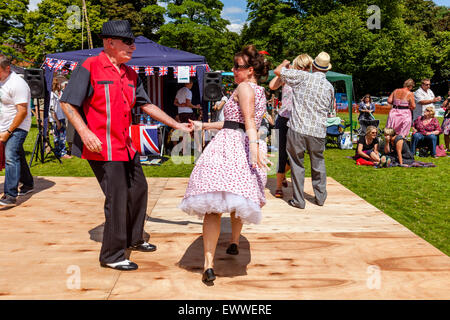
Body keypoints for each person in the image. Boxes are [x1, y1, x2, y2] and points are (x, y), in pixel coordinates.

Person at [59, 20, 192, 271]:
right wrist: (85, 132)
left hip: (125, 145)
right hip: (101, 147)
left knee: (138, 189)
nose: (132, 47)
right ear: (109, 43)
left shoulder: (130, 73)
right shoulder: (89, 66)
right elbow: (68, 103)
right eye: (128, 42)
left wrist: (176, 125)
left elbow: (146, 105)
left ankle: (134, 237)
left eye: (133, 43)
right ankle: (112, 255)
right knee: (117, 197)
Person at [179, 45, 271, 283]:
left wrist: (254, 146)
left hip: (232, 147)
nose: (233, 70)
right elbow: (234, 122)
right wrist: (204, 126)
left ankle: (209, 263)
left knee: (215, 202)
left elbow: (249, 120)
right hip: (238, 140)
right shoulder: (259, 90)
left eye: (237, 67)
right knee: (235, 199)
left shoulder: (243, 87)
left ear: (250, 69)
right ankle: (233, 242)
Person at [274, 52, 334, 209]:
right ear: (326, 70)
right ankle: (320, 198)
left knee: (297, 164)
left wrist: (284, 62)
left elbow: (277, 72)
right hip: (318, 131)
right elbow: (329, 109)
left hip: (298, 129)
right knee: (318, 164)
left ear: (313, 66)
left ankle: (299, 200)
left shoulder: (303, 77)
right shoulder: (329, 87)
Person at [269, 54, 313, 198]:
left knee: (296, 154)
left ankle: (284, 177)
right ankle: (278, 185)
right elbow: (272, 86)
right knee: (280, 153)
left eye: (308, 67)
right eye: (303, 67)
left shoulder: (308, 80)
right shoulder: (288, 77)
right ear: (297, 66)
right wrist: (283, 65)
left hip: (298, 120)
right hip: (283, 118)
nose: (305, 70)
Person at [0, 55, 34, 207]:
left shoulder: (17, 84)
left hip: (18, 125)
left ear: (7, 68)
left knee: (10, 156)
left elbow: (22, 112)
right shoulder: (2, 81)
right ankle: (27, 183)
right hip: (4, 124)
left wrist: (8, 131)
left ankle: (10, 195)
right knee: (17, 153)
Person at [49, 79, 71, 159]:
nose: (59, 86)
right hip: (57, 119)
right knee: (61, 137)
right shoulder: (51, 95)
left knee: (58, 136)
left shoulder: (54, 94)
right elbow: (52, 109)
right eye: (57, 84)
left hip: (59, 118)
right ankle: (62, 152)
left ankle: (58, 151)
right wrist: (57, 121)